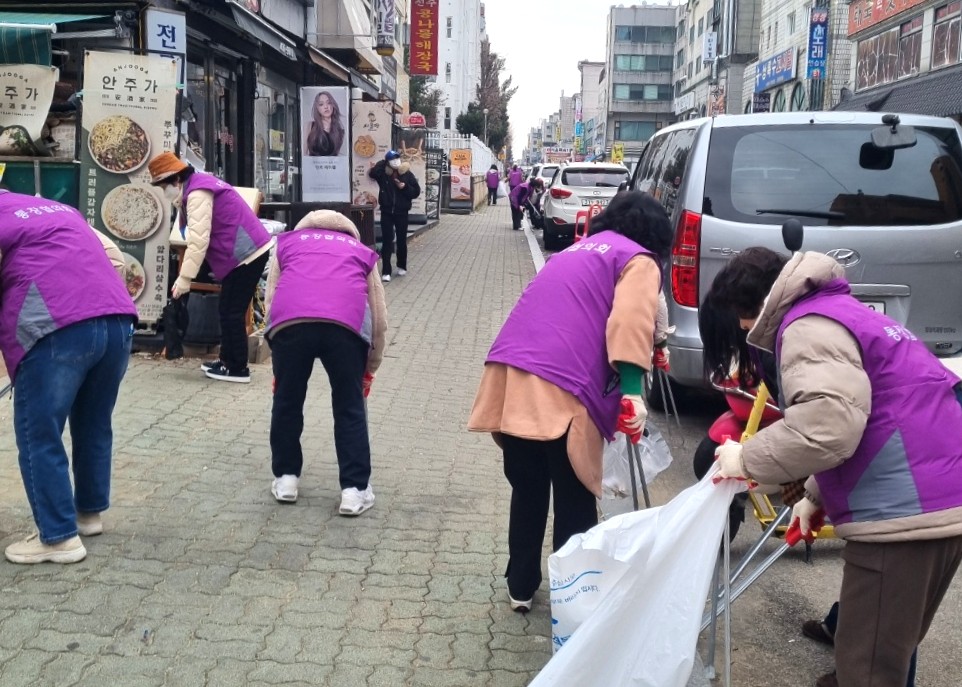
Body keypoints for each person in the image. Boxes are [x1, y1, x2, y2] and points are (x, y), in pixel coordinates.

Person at [707, 247, 962, 687]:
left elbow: (825, 428)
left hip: (902, 513)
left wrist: (744, 458)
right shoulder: (845, 311)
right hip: (942, 496)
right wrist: (815, 494)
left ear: (749, 306)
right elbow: (878, 415)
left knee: (868, 670)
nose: (744, 331)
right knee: (890, 650)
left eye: (739, 320)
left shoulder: (805, 327)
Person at [468, 191, 673, 612]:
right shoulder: (638, 259)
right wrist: (633, 390)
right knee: (575, 496)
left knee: (527, 488)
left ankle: (520, 586)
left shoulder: (576, 250)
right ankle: (573, 598)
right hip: (564, 387)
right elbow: (631, 318)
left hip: (511, 375)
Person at [0, 190, 138, 564]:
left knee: (38, 432)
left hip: (55, 324)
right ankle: (87, 514)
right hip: (117, 319)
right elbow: (113, 258)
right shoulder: (55, 208)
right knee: (93, 422)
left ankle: (58, 537)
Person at [263, 209, 387, 515]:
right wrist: (372, 364)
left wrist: (274, 346)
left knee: (287, 400)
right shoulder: (362, 252)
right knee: (349, 406)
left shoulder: (287, 244)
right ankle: (354, 491)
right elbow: (379, 314)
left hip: (290, 326)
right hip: (344, 329)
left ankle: (287, 479)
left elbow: (272, 298)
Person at [148, 151, 274, 383]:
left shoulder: (196, 193)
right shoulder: (198, 184)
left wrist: (185, 279)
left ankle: (237, 368)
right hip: (244, 253)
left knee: (231, 311)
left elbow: (198, 241)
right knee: (227, 309)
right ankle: (226, 361)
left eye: (163, 186)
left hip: (246, 254)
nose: (164, 192)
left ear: (175, 180)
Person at [368, 150, 420, 283]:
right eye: (392, 159)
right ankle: (386, 271)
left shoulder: (407, 174)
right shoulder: (383, 174)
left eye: (397, 158)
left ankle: (402, 265)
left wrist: (405, 187)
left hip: (402, 212)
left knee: (401, 240)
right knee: (387, 240)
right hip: (386, 211)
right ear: (388, 162)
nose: (396, 161)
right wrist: (383, 162)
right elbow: (372, 173)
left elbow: (416, 192)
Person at [304, 90, 346, 157]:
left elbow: (339, 156)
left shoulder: (340, 131)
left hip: (332, 166)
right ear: (317, 108)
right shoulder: (309, 126)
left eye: (329, 103)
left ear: (333, 105)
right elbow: (303, 154)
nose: (326, 107)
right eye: (321, 104)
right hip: (313, 166)